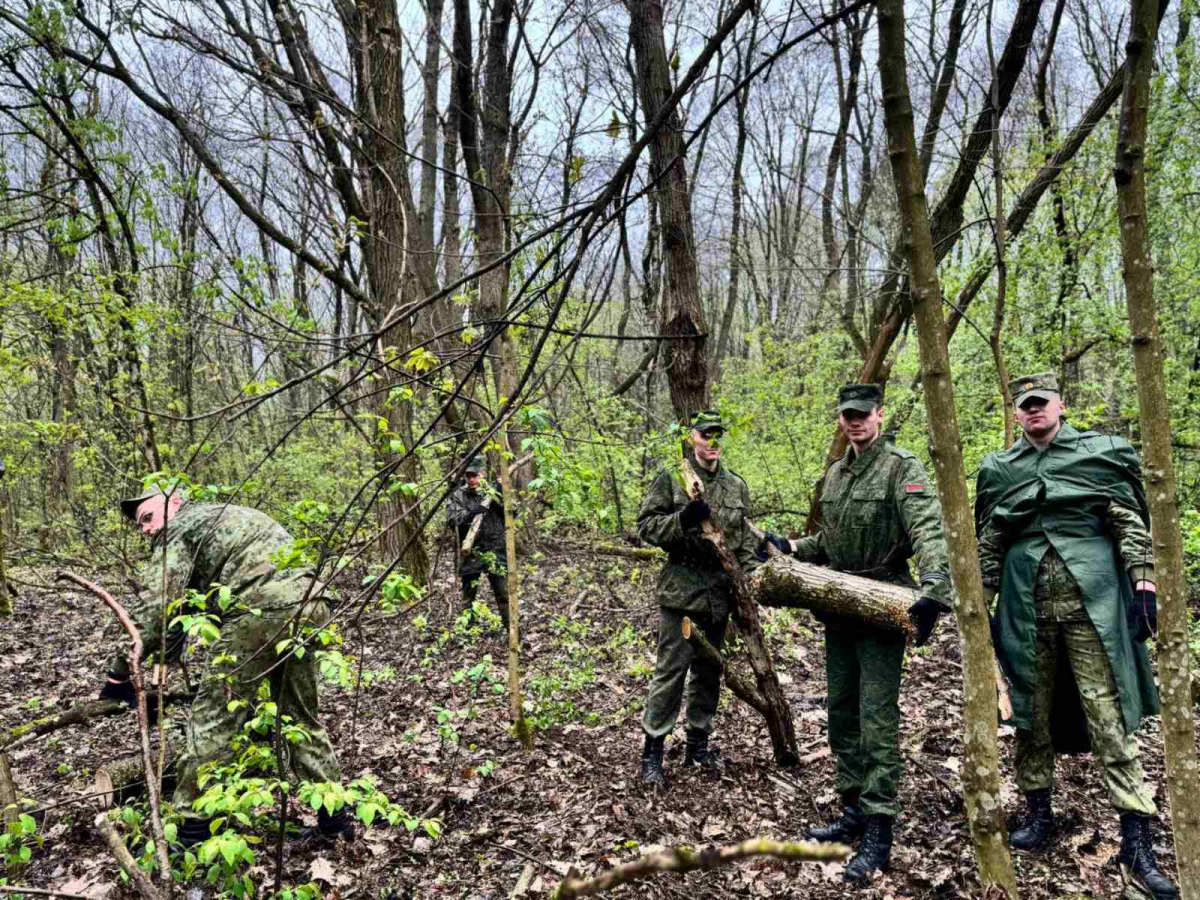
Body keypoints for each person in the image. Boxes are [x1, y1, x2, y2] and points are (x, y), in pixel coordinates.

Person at [976, 373, 1176, 900]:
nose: (1035, 411)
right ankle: (1038, 811)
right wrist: (978, 604)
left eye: (1042, 403)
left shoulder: (1102, 453)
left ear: (1061, 405)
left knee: (1106, 712)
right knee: (1029, 709)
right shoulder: (1000, 469)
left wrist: (1144, 584)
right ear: (1016, 414)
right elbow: (991, 539)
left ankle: (1137, 837)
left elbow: (1128, 520)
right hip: (1024, 606)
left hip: (1095, 603)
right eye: (1025, 406)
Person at [767, 384, 951, 884]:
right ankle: (851, 810)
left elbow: (929, 532)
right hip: (838, 604)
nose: (855, 422)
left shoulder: (901, 468)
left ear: (879, 415)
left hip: (885, 604)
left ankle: (879, 827)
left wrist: (934, 592)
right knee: (841, 710)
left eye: (863, 414)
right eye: (847, 415)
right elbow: (831, 540)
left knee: (876, 717)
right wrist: (789, 546)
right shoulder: (837, 472)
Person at [100, 485, 352, 847]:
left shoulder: (180, 529)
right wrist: (164, 662)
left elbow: (155, 612)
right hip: (312, 603)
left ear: (175, 503)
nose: (147, 529)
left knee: (212, 721)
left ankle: (192, 830)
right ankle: (335, 820)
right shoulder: (224, 516)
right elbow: (179, 612)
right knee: (300, 717)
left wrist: (118, 675)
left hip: (263, 609)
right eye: (140, 525)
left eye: (149, 517)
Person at [636, 410, 763, 785]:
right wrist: (683, 520)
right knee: (671, 673)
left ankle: (698, 746)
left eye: (717, 434)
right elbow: (646, 526)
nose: (711, 441)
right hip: (682, 591)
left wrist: (751, 584)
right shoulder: (673, 479)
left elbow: (742, 545)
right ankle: (653, 752)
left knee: (709, 673)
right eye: (705, 434)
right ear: (691, 437)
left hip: (719, 594)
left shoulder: (736, 486)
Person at [447, 455, 510, 630]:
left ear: (483, 474)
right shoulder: (459, 495)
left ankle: (511, 631)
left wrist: (500, 495)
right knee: (468, 597)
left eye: (475, 475)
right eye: (468, 476)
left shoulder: (494, 491)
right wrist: (472, 512)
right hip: (471, 552)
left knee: (503, 594)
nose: (472, 479)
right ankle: (467, 633)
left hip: (495, 549)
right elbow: (453, 520)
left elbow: (512, 514)